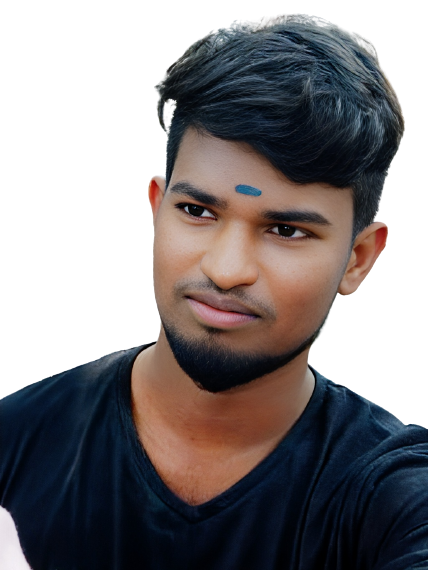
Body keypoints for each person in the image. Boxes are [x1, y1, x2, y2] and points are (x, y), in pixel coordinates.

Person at [1, 14, 427, 570]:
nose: (227, 271)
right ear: (157, 210)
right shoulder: (12, 442)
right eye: (197, 211)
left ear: (358, 259)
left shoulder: (396, 499)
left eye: (286, 230)